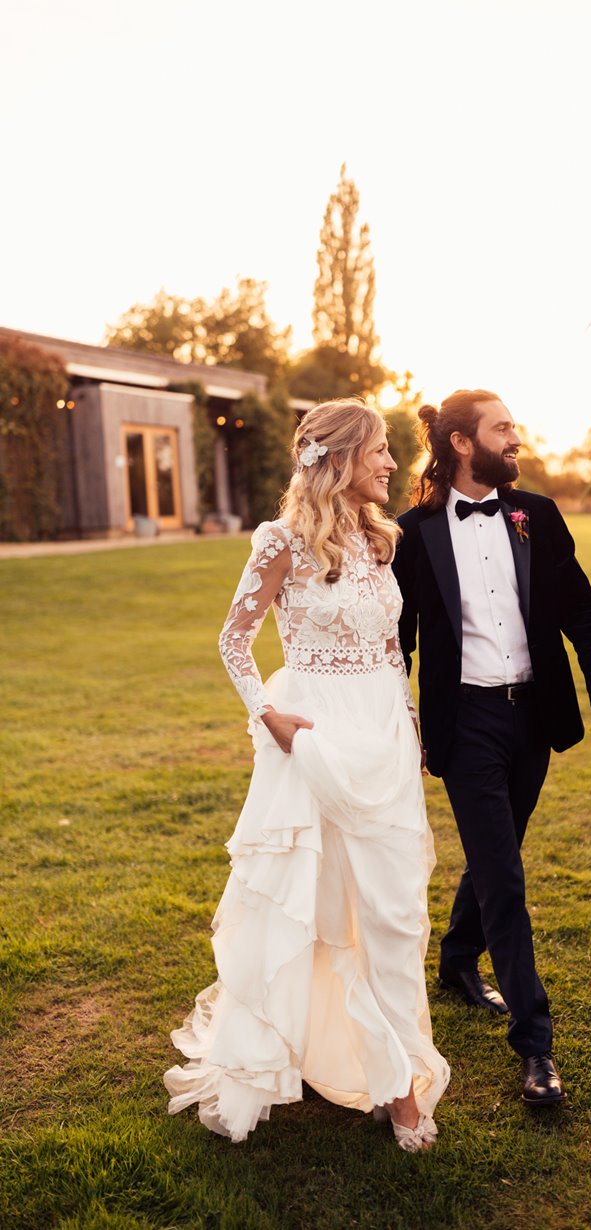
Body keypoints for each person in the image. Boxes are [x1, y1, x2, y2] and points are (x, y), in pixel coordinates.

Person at [164, 399, 449, 1152]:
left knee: (392, 917)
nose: (391, 464)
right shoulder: (281, 542)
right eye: (381, 451)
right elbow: (233, 640)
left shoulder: (377, 538)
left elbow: (391, 649)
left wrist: (410, 719)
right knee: (319, 914)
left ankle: (394, 1065)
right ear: (338, 459)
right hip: (314, 740)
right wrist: (268, 713)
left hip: (383, 742)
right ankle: (393, 1089)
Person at [392, 389, 591, 1108]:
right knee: (505, 879)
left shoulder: (539, 517)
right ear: (463, 444)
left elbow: (582, 609)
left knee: (500, 853)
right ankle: (536, 1046)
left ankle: (458, 960)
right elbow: (394, 638)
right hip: (465, 725)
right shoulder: (413, 533)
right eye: (502, 429)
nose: (515, 438)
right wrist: (396, 720)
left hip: (534, 718)